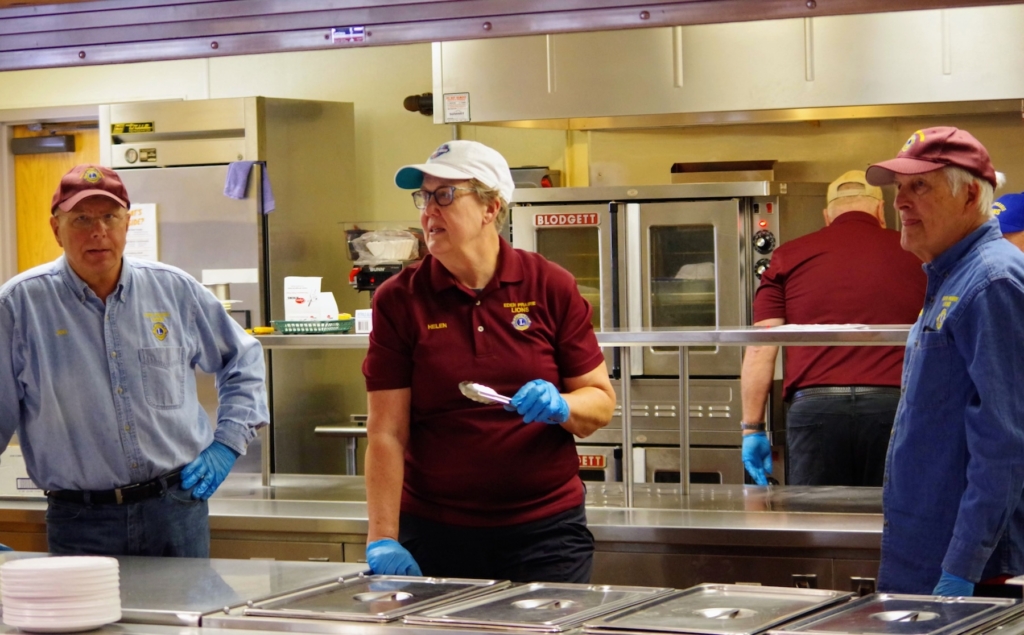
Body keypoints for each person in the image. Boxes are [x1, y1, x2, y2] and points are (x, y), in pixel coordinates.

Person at [362, 140, 616, 583]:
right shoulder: (399, 300)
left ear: (490, 207)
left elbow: (600, 404)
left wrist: (562, 405)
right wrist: (382, 537)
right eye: (424, 196)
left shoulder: (550, 285)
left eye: (445, 195)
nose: (428, 211)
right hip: (438, 532)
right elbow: (387, 431)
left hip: (546, 532)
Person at [0, 164, 269, 557]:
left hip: (177, 508)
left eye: (110, 216)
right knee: (87, 621)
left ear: (128, 223)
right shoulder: (19, 306)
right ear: (56, 229)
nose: (98, 231)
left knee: (186, 619)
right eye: (81, 219)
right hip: (80, 521)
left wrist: (227, 444)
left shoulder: (174, 290)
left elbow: (243, 359)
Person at [865, 126, 1024, 596]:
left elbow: (1006, 443)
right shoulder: (951, 278)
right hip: (924, 555)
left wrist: (963, 568)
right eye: (898, 189)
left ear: (971, 194)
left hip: (971, 572)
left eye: (920, 186)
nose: (900, 203)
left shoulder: (991, 282)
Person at [740, 170, 925, 487]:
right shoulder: (919, 254)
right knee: (893, 521)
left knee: (818, 525)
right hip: (895, 408)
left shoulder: (787, 256)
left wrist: (752, 428)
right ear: (882, 212)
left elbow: (760, 346)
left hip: (814, 409)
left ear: (827, 216)